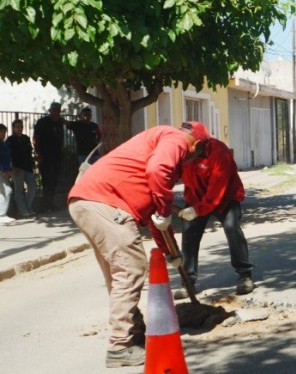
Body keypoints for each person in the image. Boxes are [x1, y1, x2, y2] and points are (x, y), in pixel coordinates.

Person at [67, 121, 210, 368]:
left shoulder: (158, 143)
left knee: (119, 272)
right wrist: (165, 209)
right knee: (130, 269)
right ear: (196, 145)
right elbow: (158, 171)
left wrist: (171, 252)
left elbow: (157, 218)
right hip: (106, 202)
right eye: (197, 156)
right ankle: (120, 347)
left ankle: (134, 329)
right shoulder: (175, 141)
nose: (191, 162)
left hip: (87, 201)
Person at [174, 135, 254, 299]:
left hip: (224, 197)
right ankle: (188, 282)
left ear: (199, 145)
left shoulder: (219, 153)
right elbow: (169, 174)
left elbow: (216, 191)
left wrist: (197, 211)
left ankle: (245, 275)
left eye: (188, 150)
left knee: (232, 228)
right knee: (189, 234)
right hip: (196, 198)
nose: (184, 154)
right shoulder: (181, 153)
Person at [33, 101, 66, 211]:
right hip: (45, 156)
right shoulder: (43, 122)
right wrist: (38, 153)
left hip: (57, 156)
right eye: (54, 110)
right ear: (50, 111)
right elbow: (36, 138)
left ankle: (50, 203)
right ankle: (46, 204)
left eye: (58, 111)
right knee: (47, 180)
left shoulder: (60, 123)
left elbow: (61, 138)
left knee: (55, 180)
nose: (56, 112)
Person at [6, 119, 37, 217]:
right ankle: (22, 210)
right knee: (19, 190)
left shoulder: (26, 138)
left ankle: (27, 207)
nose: (20, 128)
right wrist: (12, 167)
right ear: (13, 128)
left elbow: (29, 152)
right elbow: (8, 155)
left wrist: (32, 163)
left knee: (33, 187)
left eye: (21, 126)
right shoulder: (10, 140)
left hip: (27, 166)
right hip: (16, 167)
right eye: (18, 127)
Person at [0, 124, 14, 224]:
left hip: (4, 170)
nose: (3, 134)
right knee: (7, 190)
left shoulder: (3, 143)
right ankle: (2, 214)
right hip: (2, 171)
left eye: (4, 132)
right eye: (1, 132)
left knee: (4, 191)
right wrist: (4, 170)